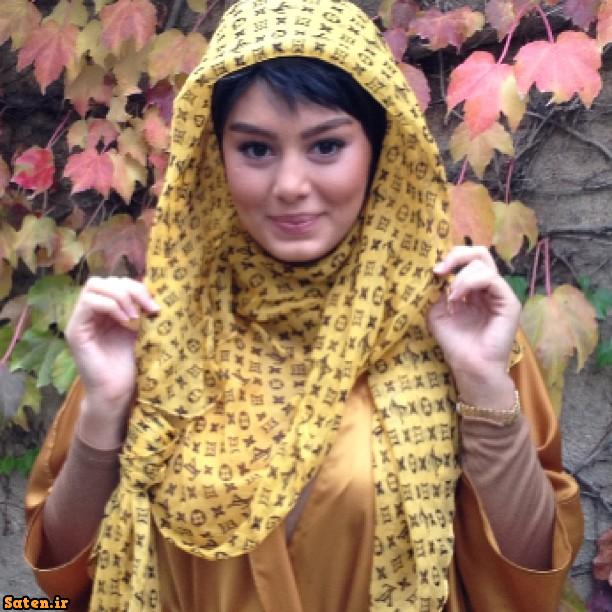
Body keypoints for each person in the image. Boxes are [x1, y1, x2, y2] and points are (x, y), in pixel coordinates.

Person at [24, 0, 582, 610]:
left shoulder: (455, 322)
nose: (291, 185)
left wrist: (484, 386)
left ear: (378, 150)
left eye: (326, 147)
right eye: (256, 150)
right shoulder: (155, 329)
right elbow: (60, 583)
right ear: (216, 156)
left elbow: (528, 578)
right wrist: (105, 409)